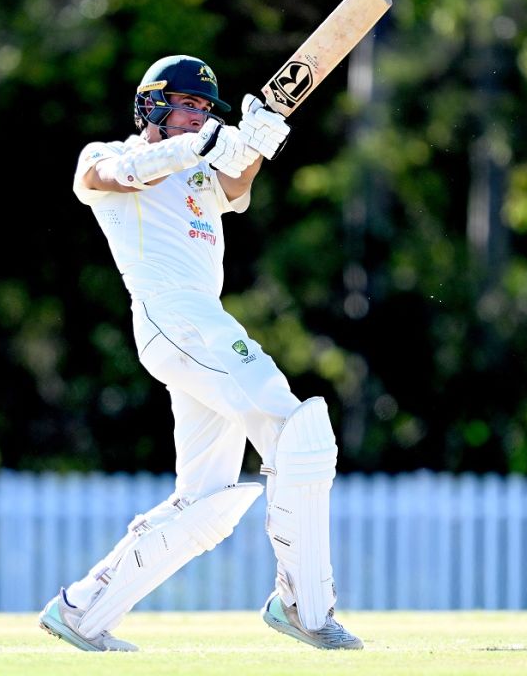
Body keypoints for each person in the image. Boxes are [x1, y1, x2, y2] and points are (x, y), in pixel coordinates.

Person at [38, 54, 362, 652]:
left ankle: (82, 611)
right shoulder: (104, 155)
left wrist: (257, 137)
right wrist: (200, 145)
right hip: (172, 314)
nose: (196, 117)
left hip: (198, 323)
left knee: (206, 503)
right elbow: (111, 177)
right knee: (300, 435)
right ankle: (306, 609)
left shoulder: (200, 169)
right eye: (186, 106)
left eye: (204, 109)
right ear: (153, 106)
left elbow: (234, 184)